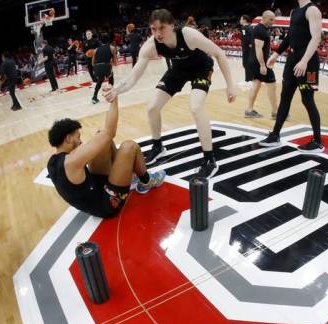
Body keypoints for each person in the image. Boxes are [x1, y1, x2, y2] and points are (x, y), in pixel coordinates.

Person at [104, 9, 238, 179]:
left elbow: (219, 53)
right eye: (153, 29)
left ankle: (210, 161)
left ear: (172, 26)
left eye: (162, 28)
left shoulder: (189, 35)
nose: (158, 33)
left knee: (196, 107)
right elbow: (134, 76)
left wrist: (230, 85)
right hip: (178, 70)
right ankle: (158, 147)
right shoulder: (151, 45)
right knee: (152, 107)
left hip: (201, 69)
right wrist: (116, 90)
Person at [48, 85, 166, 218]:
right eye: (78, 137)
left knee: (102, 138)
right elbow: (110, 132)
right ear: (68, 139)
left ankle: (127, 176)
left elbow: (104, 137)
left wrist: (103, 136)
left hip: (94, 190)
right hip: (107, 205)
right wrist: (114, 100)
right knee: (129, 146)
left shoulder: (54, 161)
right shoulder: (72, 161)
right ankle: (146, 182)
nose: (80, 142)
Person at [258, 0, 325, 152]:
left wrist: (304, 61)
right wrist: (276, 53)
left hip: (308, 63)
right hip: (292, 60)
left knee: (307, 100)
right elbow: (290, 36)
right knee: (285, 96)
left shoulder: (313, 10)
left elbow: (316, 38)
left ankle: (317, 141)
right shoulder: (295, 12)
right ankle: (275, 135)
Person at [245, 10, 278, 118]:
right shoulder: (260, 29)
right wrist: (263, 65)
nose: (273, 22)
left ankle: (249, 110)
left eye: (273, 19)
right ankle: (276, 112)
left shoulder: (262, 29)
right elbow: (259, 48)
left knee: (256, 84)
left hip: (255, 62)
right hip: (259, 63)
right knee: (272, 84)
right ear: (264, 18)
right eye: (271, 19)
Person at [91, 34, 117, 104]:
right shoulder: (112, 48)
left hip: (97, 68)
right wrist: (108, 63)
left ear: (100, 41)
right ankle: (110, 94)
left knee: (100, 80)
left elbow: (92, 63)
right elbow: (115, 62)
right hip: (106, 67)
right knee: (111, 77)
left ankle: (94, 97)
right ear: (108, 40)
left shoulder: (96, 50)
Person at [240, 15, 254, 84]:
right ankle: (250, 79)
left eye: (241, 19)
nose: (240, 20)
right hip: (249, 48)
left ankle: (248, 80)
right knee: (248, 63)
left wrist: (249, 44)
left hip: (246, 48)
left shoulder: (244, 28)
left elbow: (245, 38)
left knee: (246, 63)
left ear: (244, 20)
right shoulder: (251, 27)